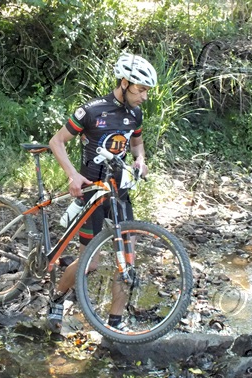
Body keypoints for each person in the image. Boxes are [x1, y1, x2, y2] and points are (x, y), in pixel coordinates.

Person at [47, 53, 157, 332]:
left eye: (147, 90)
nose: (144, 96)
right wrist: (73, 175)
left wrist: (140, 160)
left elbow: (137, 144)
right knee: (91, 263)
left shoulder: (136, 114)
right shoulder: (92, 111)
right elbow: (56, 141)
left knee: (127, 260)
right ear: (124, 83)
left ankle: (115, 324)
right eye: (141, 89)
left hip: (120, 193)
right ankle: (56, 299)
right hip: (93, 194)